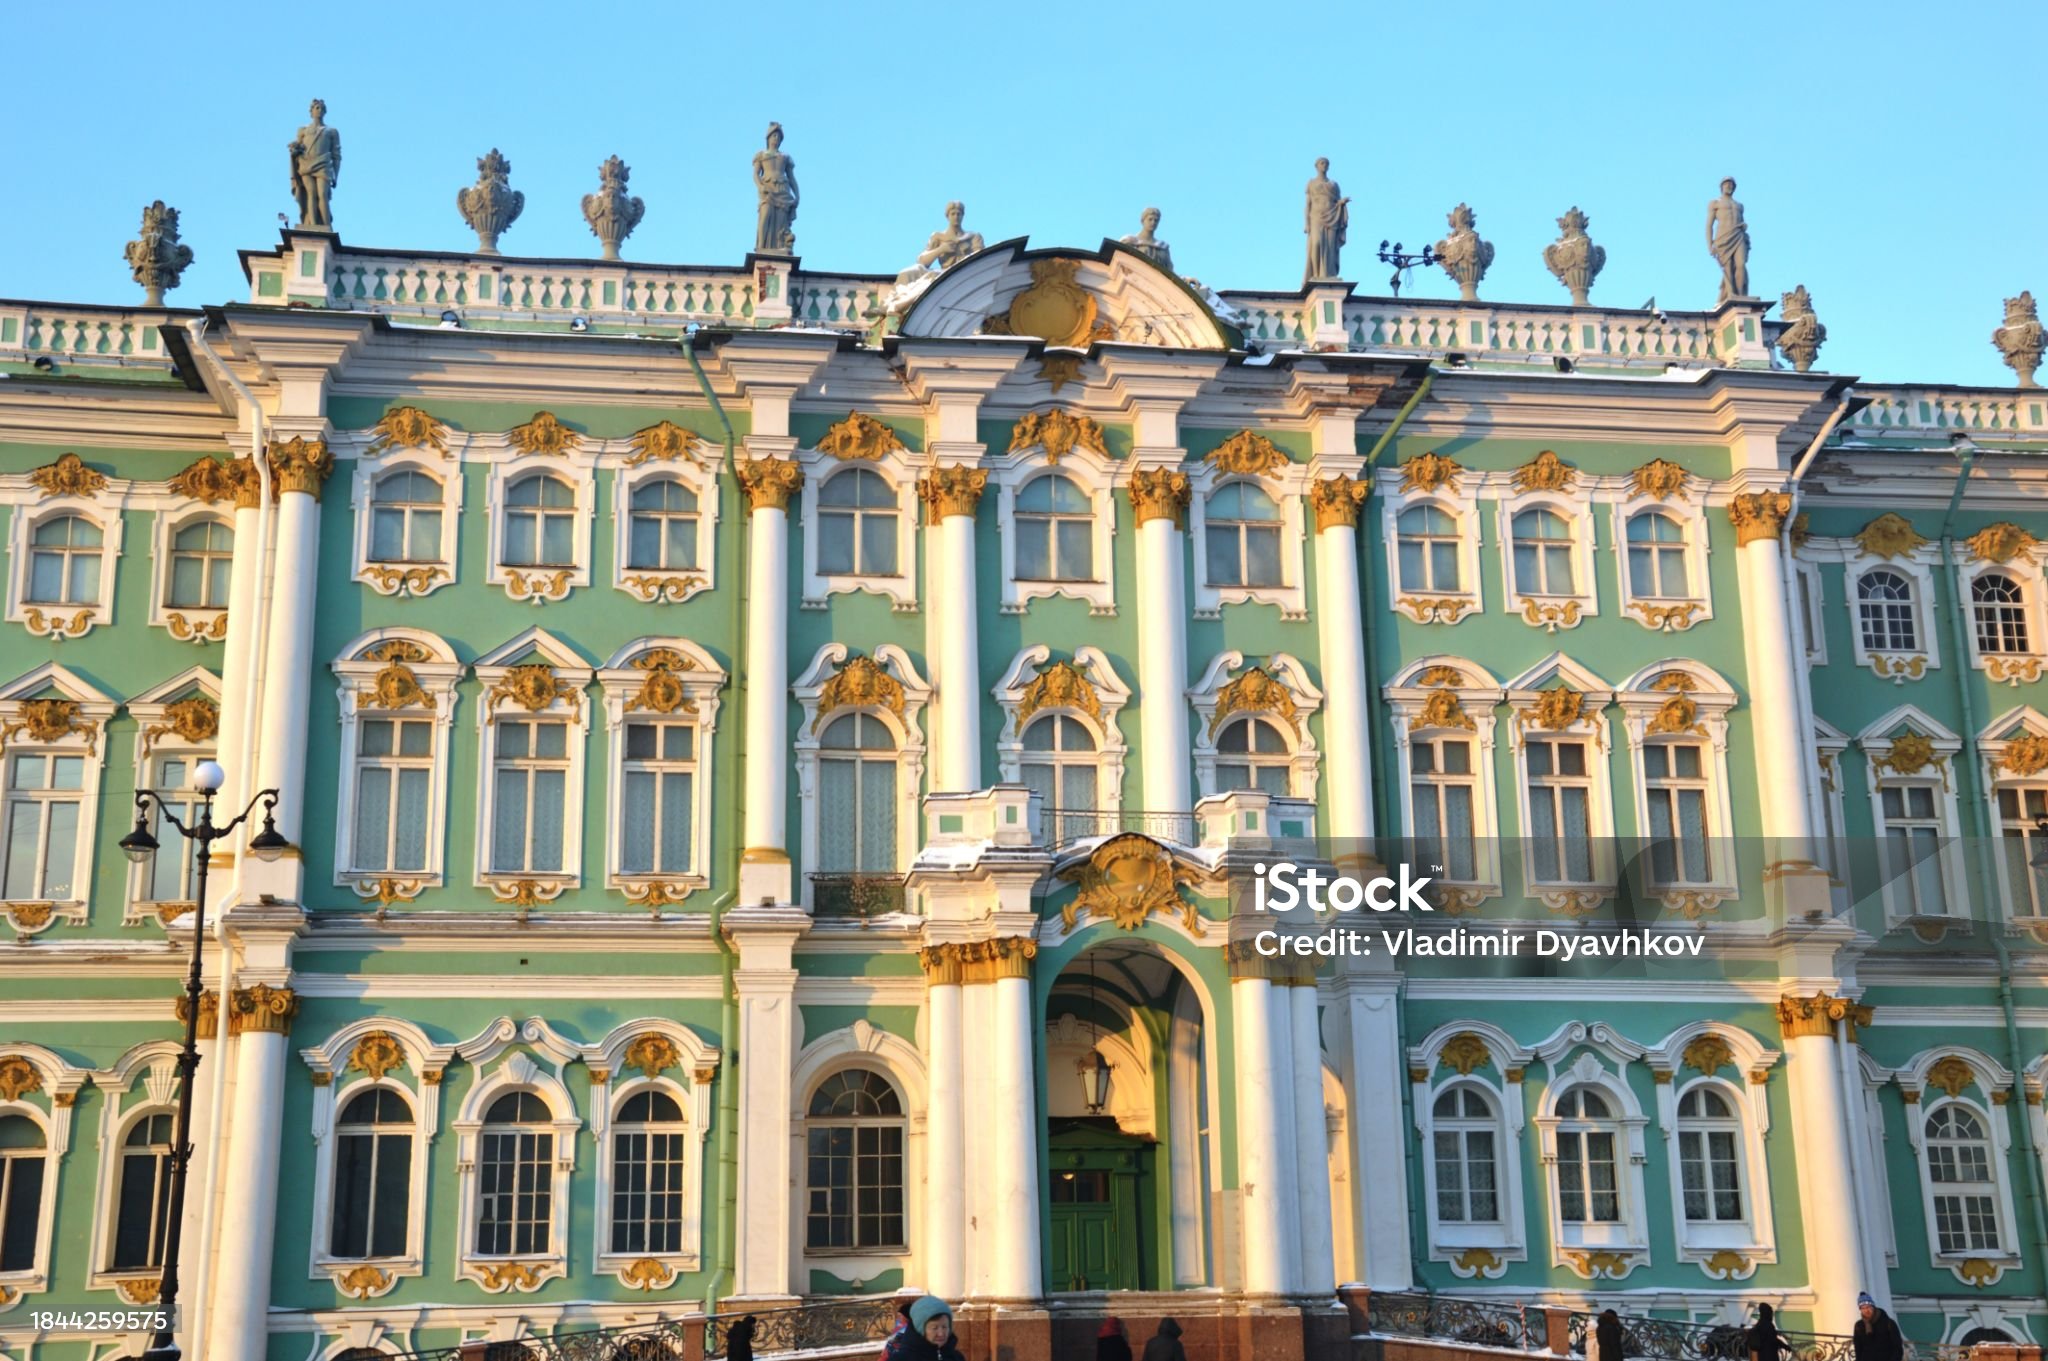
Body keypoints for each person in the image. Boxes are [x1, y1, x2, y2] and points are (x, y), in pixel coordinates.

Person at [883, 1296, 964, 1361]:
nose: (941, 1333)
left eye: (944, 1327)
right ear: (920, 1329)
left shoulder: (956, 1357)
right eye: (934, 1328)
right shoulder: (901, 1358)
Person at [1852, 1293, 1905, 1361]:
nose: (1866, 1310)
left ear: (1873, 1306)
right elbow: (1858, 1349)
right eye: (1863, 1308)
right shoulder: (1859, 1326)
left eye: (1868, 1307)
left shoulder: (1888, 1323)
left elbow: (1897, 1348)